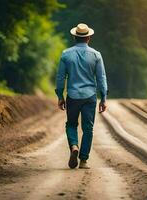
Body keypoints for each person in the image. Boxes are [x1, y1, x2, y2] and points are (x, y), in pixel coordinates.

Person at [55, 23, 108, 169]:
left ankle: (74, 146)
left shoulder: (66, 54)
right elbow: (101, 78)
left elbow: (60, 78)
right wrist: (103, 98)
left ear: (74, 37)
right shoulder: (96, 55)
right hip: (90, 96)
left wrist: (60, 95)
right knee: (88, 128)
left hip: (72, 95)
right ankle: (83, 160)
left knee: (71, 124)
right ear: (89, 38)